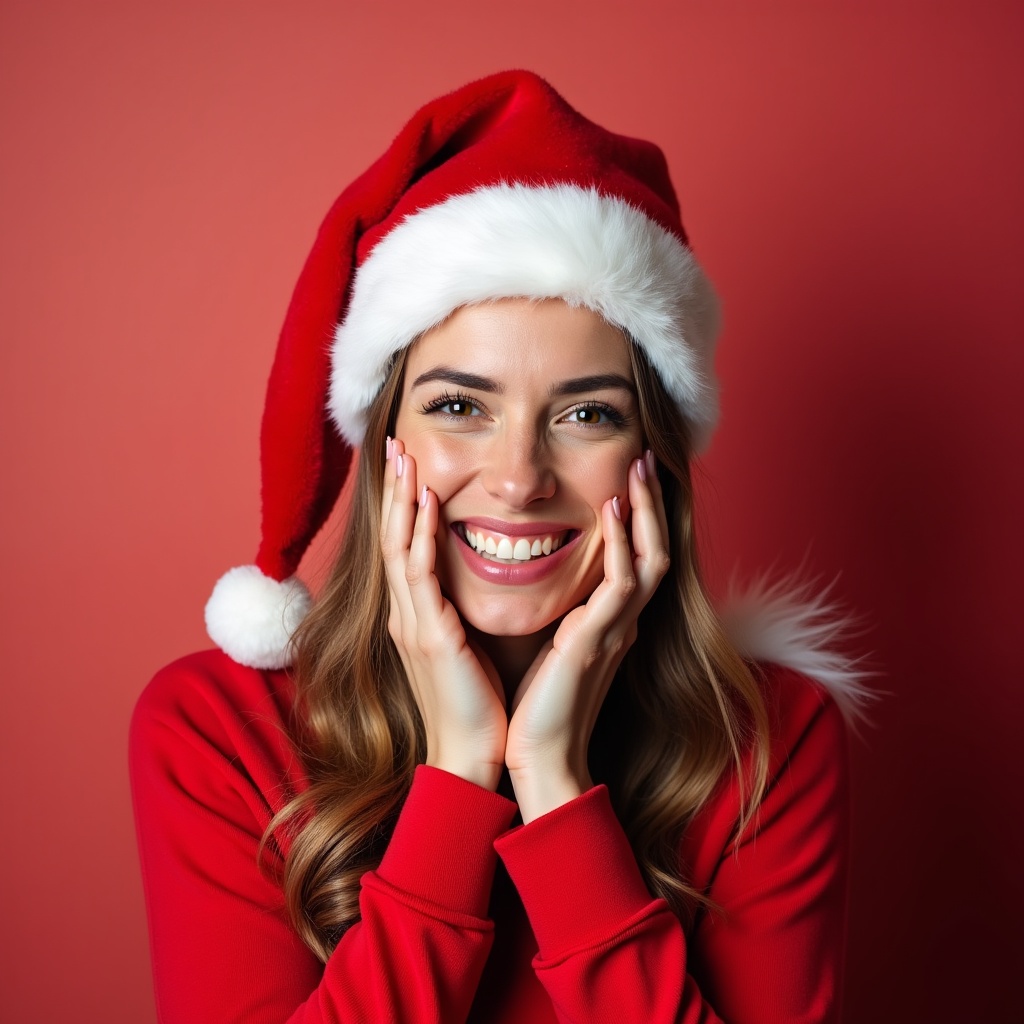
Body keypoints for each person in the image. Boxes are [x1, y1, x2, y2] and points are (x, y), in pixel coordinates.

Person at [130, 70, 868, 1023]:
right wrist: (459, 776)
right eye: (459, 407)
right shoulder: (216, 731)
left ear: (654, 457)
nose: (520, 478)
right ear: (384, 438)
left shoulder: (770, 741)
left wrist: (555, 789)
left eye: (587, 412)